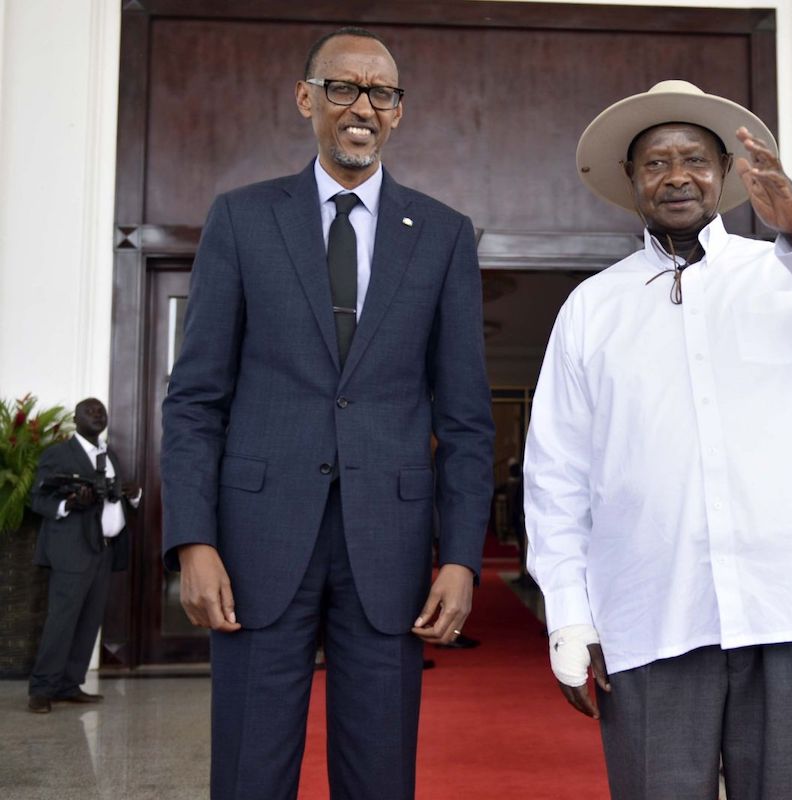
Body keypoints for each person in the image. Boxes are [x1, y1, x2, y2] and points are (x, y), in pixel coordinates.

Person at [523, 80, 792, 799]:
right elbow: (557, 477)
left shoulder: (789, 275)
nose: (677, 177)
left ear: (726, 173)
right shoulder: (591, 309)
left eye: (695, 160)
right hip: (654, 615)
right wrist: (569, 616)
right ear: (631, 180)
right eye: (656, 163)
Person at [160, 27, 494, 800]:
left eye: (381, 93)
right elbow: (195, 399)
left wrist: (461, 558)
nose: (362, 107)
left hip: (390, 547)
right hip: (255, 543)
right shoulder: (242, 219)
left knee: (379, 777)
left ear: (398, 112)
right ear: (305, 98)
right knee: (248, 773)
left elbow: (467, 420)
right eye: (343, 87)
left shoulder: (442, 235)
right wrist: (193, 540)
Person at [27, 398, 140, 713]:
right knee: (61, 621)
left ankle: (68, 684)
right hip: (71, 551)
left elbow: (115, 498)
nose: (98, 414)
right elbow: (37, 499)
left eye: (101, 410)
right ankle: (41, 689)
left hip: (104, 550)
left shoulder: (108, 455)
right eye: (90, 411)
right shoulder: (59, 454)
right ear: (75, 420)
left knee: (89, 621)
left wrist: (134, 495)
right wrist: (69, 504)